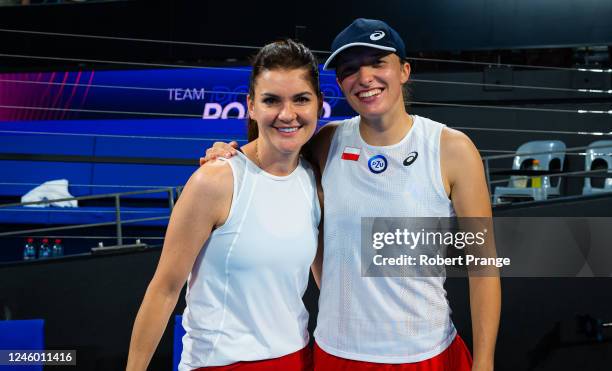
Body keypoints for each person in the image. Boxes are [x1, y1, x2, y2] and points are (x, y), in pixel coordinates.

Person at [202, 18, 500, 371]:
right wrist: (228, 153)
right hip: (338, 353)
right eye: (350, 69)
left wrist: (484, 365)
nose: (365, 78)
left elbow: (484, 268)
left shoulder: (451, 149)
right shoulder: (325, 143)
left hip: (427, 354)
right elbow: (270, 146)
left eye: (377, 63)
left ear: (404, 70)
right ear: (341, 83)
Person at [126, 39, 323, 371]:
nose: (287, 114)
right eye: (271, 100)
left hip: (298, 359)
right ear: (251, 105)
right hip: (220, 364)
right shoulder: (215, 181)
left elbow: (326, 283)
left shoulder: (314, 180)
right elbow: (164, 289)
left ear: (318, 103)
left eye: (300, 99)